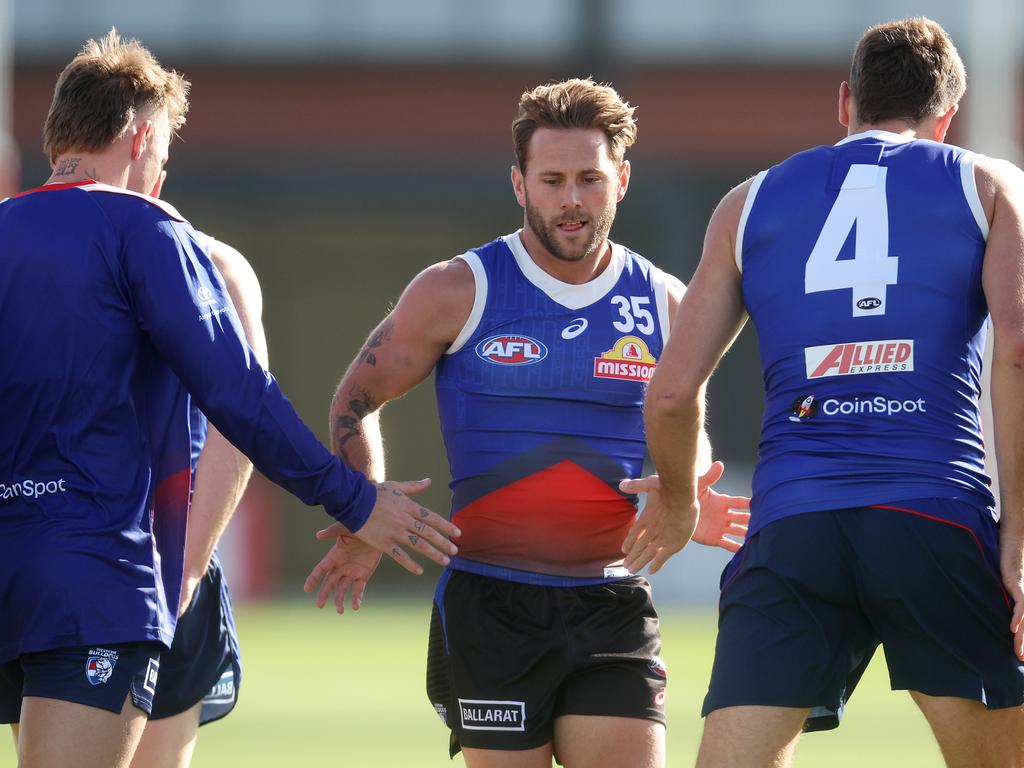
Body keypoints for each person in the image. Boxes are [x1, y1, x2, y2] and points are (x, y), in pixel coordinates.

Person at [0, 30, 458, 768]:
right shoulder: (141, 227)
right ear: (142, 136)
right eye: (163, 160)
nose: (159, 178)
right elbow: (240, 396)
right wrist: (355, 500)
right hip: (94, 577)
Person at [304, 78, 749, 768]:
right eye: (552, 180)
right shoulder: (458, 289)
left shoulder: (665, 301)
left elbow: (688, 422)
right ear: (519, 184)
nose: (571, 199)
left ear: (622, 180)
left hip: (613, 600)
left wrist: (684, 491)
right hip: (492, 605)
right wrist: (366, 506)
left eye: (589, 179)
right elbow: (355, 400)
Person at [632, 17, 1024, 768]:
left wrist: (679, 501)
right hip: (932, 515)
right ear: (947, 118)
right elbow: (1017, 349)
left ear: (845, 102)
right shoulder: (987, 182)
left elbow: (672, 395)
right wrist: (1019, 537)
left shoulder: (745, 203)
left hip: (793, 527)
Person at [130, 234, 266, 768]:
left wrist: (187, 567)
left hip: (156, 555)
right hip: (66, 559)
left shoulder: (212, 263)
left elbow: (244, 421)